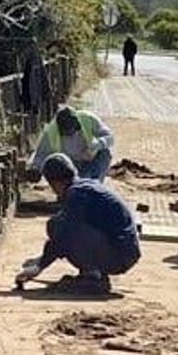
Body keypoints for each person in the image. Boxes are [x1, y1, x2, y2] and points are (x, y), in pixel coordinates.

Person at [15, 154, 141, 293]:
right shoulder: (84, 186)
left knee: (59, 226)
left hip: (120, 255)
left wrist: (39, 266)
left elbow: (65, 233)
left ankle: (93, 277)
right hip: (123, 250)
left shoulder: (76, 194)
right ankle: (93, 271)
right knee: (57, 223)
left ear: (55, 182)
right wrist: (41, 259)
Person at [29, 105, 115, 182]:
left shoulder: (87, 119)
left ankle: (97, 184)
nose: (70, 135)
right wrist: (36, 169)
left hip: (91, 161)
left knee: (105, 153)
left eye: (71, 131)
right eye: (66, 132)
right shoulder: (50, 132)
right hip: (71, 167)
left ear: (76, 123)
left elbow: (110, 137)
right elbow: (41, 155)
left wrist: (97, 144)